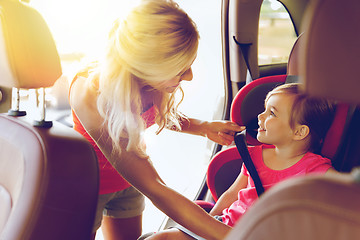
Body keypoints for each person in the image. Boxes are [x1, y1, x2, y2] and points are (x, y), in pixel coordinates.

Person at [69, 0, 243, 239]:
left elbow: (156, 115)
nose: (189, 77)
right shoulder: (90, 92)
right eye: (181, 70)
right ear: (149, 66)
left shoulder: (149, 82)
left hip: (128, 183)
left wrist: (203, 127)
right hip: (89, 186)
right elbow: (156, 188)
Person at [145, 83, 337, 239]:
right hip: (224, 227)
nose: (260, 117)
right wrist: (207, 223)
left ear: (299, 132)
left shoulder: (315, 169)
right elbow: (231, 195)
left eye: (272, 113)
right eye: (264, 110)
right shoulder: (253, 155)